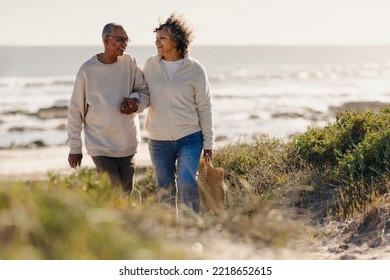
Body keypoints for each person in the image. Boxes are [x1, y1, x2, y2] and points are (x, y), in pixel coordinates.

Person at [143, 13, 214, 214]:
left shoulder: (195, 69)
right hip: (158, 140)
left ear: (176, 41)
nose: (157, 42)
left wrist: (209, 142)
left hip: (189, 138)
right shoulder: (150, 65)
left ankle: (192, 228)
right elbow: (142, 94)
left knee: (187, 182)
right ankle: (170, 234)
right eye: (156, 38)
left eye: (162, 38)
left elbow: (205, 106)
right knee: (165, 189)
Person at [67, 22, 149, 194]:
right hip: (100, 146)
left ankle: (131, 217)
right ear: (106, 40)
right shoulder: (87, 70)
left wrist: (135, 103)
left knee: (126, 193)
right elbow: (76, 111)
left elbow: (144, 92)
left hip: (127, 144)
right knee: (114, 191)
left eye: (127, 40)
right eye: (120, 39)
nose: (124, 44)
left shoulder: (130, 63)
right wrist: (75, 148)